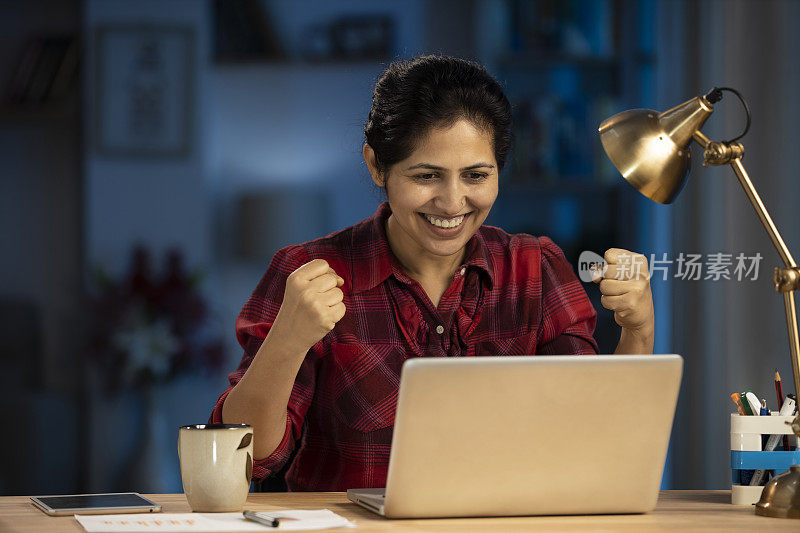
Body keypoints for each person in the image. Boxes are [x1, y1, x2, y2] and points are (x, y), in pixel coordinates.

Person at [210, 55, 654, 491]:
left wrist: (638, 332)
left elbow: (597, 439)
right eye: (427, 176)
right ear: (376, 165)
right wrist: (287, 339)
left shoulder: (535, 269)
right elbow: (247, 461)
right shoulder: (308, 274)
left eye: (476, 175)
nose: (452, 202)